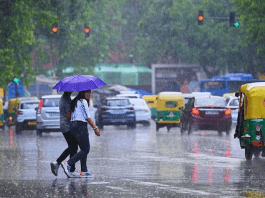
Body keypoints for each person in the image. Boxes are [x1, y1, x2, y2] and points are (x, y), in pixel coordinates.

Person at [61, 90, 100, 178]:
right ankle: (68, 163)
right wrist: (95, 128)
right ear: (82, 93)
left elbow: (69, 116)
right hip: (80, 126)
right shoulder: (83, 102)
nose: (89, 94)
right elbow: (88, 117)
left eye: (90, 92)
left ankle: (84, 170)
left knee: (83, 148)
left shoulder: (74, 101)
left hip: (72, 127)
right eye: (87, 92)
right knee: (86, 149)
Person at [50, 92, 79, 177]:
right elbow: (69, 116)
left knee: (73, 147)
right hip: (67, 126)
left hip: (65, 126)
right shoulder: (66, 100)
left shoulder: (65, 98)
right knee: (73, 146)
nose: (72, 91)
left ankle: (69, 168)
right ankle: (62, 164)